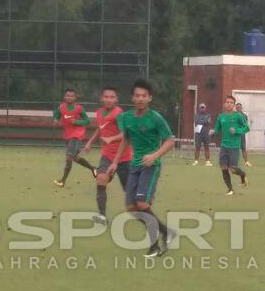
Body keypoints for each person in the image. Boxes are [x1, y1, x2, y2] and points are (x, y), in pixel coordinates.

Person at [108, 79, 177, 258]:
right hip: (134, 166)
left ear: (150, 98)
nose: (140, 99)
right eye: (137, 95)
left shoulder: (155, 118)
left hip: (151, 166)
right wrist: (115, 162)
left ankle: (154, 245)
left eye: (144, 96)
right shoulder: (127, 118)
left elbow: (170, 141)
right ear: (132, 97)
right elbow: (126, 139)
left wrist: (154, 156)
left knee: (142, 204)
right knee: (131, 208)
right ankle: (167, 232)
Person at [82, 87, 134, 225]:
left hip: (123, 157)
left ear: (116, 100)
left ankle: (144, 210)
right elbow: (100, 128)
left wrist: (111, 139)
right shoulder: (99, 113)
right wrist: (90, 142)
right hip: (107, 156)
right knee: (101, 178)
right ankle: (102, 216)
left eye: (112, 97)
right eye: (106, 97)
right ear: (101, 98)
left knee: (129, 191)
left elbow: (125, 134)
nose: (109, 100)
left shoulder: (119, 114)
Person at [52, 88, 96, 187]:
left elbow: (87, 121)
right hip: (68, 136)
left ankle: (62, 181)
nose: (69, 97)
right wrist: (55, 120)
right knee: (75, 158)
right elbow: (56, 116)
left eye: (72, 96)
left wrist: (77, 122)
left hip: (77, 135)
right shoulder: (61, 108)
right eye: (67, 95)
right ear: (64, 97)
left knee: (69, 157)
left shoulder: (79, 108)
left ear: (75, 98)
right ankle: (93, 168)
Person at [211, 96, 249, 195]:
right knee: (223, 168)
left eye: (231, 102)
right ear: (224, 104)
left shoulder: (238, 116)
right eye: (227, 102)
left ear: (234, 105)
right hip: (224, 146)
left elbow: (246, 128)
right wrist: (213, 131)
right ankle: (230, 189)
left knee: (232, 169)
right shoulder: (221, 117)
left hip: (234, 147)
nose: (229, 104)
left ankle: (242, 175)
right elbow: (217, 129)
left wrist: (236, 131)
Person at [235, 102, 252, 166]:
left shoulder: (244, 116)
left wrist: (242, 131)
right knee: (235, 149)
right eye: (237, 107)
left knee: (243, 148)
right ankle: (235, 161)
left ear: (241, 108)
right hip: (235, 134)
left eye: (239, 107)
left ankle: (246, 161)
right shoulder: (233, 115)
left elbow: (245, 126)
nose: (238, 108)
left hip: (241, 134)